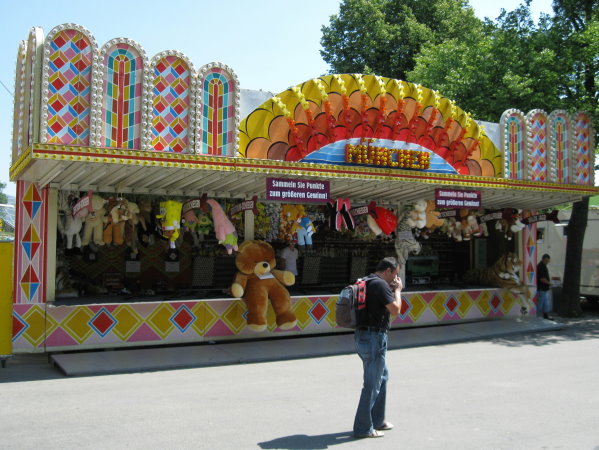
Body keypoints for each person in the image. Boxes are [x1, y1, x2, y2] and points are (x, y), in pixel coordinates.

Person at [353, 256, 403, 439]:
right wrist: (398, 290)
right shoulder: (381, 285)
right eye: (395, 274)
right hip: (374, 338)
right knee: (372, 384)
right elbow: (396, 310)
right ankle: (362, 428)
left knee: (382, 377)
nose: (396, 278)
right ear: (388, 270)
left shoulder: (365, 281)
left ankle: (378, 419)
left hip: (363, 336)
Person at [536, 254, 553, 320]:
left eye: (548, 261)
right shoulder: (541, 266)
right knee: (540, 303)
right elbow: (542, 278)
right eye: (546, 261)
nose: (547, 262)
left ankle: (546, 315)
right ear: (543, 259)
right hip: (541, 288)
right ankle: (536, 315)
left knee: (546, 303)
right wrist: (549, 283)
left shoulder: (543, 265)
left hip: (544, 288)